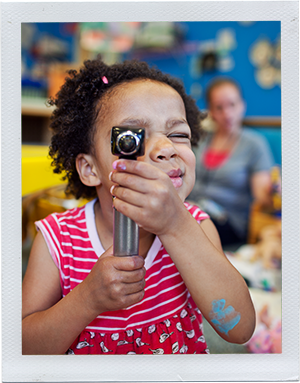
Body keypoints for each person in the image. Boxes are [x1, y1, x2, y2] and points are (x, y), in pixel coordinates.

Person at [22, 57, 255, 355]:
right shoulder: (59, 241)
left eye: (178, 135)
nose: (166, 149)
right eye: (132, 138)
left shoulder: (195, 224)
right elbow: (23, 350)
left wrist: (176, 226)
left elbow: (239, 328)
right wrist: (86, 299)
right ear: (90, 168)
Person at [188, 78, 274, 248]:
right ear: (211, 111)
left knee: (186, 228)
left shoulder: (255, 144)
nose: (227, 114)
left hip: (228, 221)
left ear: (242, 105)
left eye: (232, 105)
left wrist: (274, 192)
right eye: (219, 107)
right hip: (192, 211)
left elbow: (262, 196)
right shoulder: (201, 140)